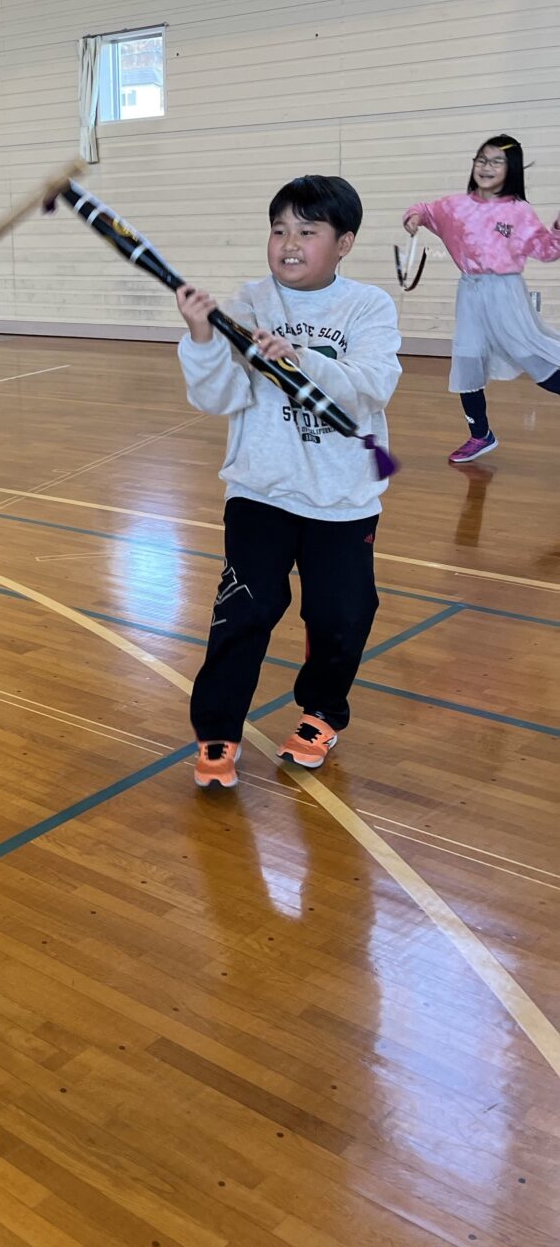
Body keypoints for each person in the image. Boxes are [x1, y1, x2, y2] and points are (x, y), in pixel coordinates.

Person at [175, 176, 401, 790]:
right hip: (260, 491)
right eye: (279, 230)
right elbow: (217, 396)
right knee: (243, 612)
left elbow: (372, 387)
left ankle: (322, 712)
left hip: (343, 499)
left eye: (308, 231)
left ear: (344, 242)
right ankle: (217, 728)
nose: (289, 244)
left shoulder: (367, 307)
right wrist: (202, 338)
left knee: (341, 615)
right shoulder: (248, 305)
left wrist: (302, 360)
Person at [403, 135, 560, 464]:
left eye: (496, 162)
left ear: (511, 169)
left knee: (531, 356)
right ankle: (480, 435)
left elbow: (547, 250)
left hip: (505, 293)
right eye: (481, 159)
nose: (486, 167)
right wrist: (413, 218)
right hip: (470, 291)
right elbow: (423, 209)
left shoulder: (519, 212)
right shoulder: (454, 206)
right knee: (467, 360)